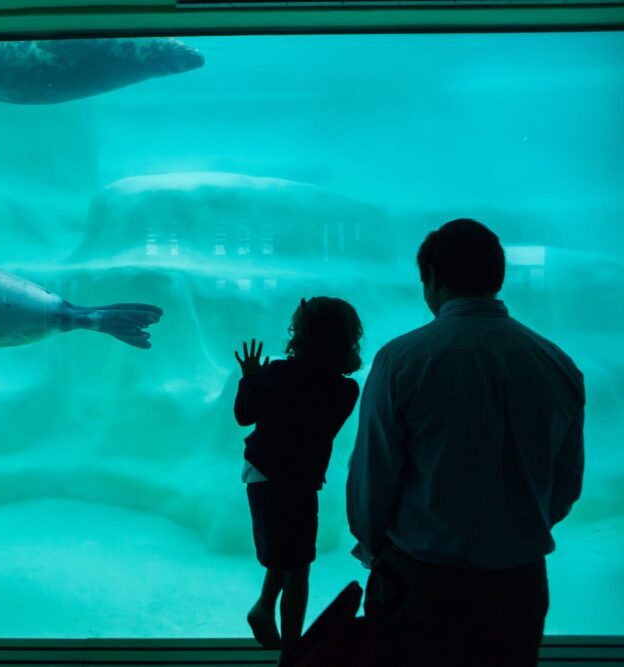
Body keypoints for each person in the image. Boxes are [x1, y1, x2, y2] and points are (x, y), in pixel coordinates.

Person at [347, 219, 585, 667]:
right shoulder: (557, 364)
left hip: (421, 582)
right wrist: (515, 533)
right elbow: (566, 483)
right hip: (519, 584)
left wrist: (376, 548)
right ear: (498, 277)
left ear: (431, 277)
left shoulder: (400, 360)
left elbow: (373, 477)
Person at [234, 297, 363, 660]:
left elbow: (244, 416)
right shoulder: (345, 390)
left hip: (266, 473)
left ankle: (270, 618)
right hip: (301, 479)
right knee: (297, 560)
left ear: (300, 334)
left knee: (291, 555)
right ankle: (291, 651)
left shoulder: (276, 374)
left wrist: (250, 378)